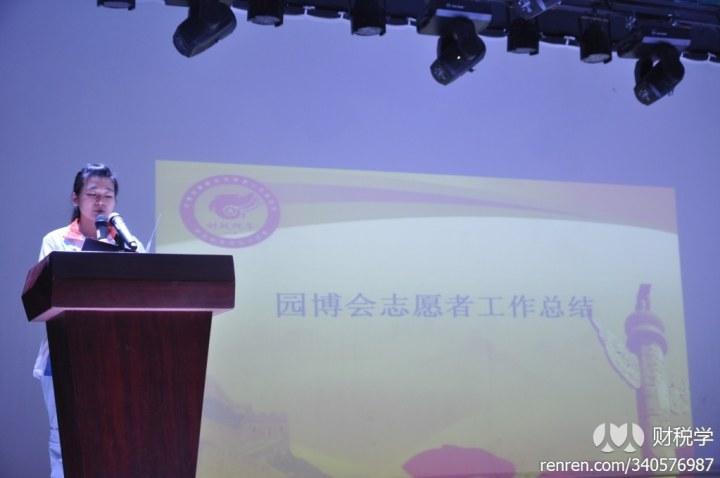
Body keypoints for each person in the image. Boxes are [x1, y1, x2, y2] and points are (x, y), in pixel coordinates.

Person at [33, 163, 141, 478]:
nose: (100, 201)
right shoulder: (56, 241)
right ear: (75, 198)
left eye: (108, 195)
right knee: (64, 441)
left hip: (117, 358)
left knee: (114, 439)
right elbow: (42, 294)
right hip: (64, 355)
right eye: (92, 194)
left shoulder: (129, 245)